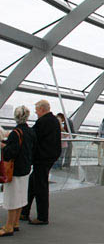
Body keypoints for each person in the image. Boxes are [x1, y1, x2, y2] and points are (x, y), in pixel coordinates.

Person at [21, 100, 61, 225]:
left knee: (40, 187)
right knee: (33, 184)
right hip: (49, 157)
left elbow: (32, 135)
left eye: (37, 110)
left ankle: (42, 217)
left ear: (42, 109)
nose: (36, 113)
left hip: (42, 158)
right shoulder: (54, 120)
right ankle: (24, 212)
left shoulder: (43, 121)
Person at [0, 106, 35, 236]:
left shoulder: (15, 133)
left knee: (11, 198)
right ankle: (15, 223)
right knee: (20, 197)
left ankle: (8, 226)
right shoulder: (30, 131)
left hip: (14, 170)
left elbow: (11, 153)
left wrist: (3, 146)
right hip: (25, 168)